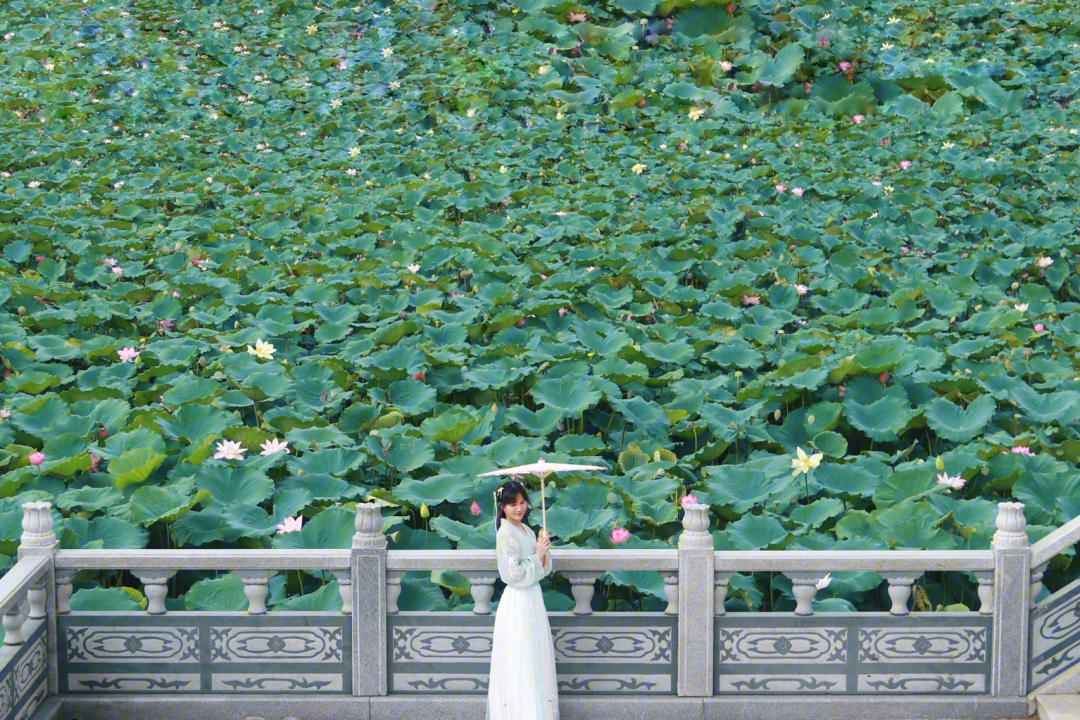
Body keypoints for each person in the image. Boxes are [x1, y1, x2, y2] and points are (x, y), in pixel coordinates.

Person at [486, 480, 558, 720]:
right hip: (517, 600)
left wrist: (542, 547)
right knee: (521, 656)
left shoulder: (526, 529)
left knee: (535, 655)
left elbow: (543, 569)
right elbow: (512, 574)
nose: (519, 508)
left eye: (522, 502)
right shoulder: (505, 533)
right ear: (502, 506)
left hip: (533, 597)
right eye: (512, 503)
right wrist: (537, 555)